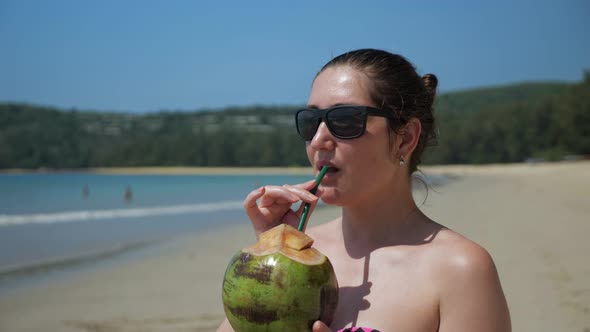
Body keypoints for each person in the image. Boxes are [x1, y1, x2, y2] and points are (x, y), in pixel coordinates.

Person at [217, 49, 511, 332]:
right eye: (310, 122)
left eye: (344, 120)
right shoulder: (305, 249)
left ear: (405, 138)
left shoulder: (460, 270)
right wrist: (268, 263)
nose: (318, 140)